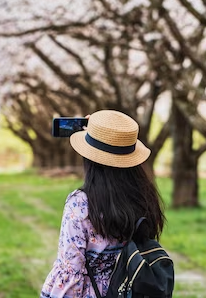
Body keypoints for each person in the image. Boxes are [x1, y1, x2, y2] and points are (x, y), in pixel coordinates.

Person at [40, 110, 166, 298]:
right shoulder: (143, 196)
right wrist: (103, 131)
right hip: (128, 289)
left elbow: (71, 269)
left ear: (90, 158)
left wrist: (96, 132)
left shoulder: (81, 203)